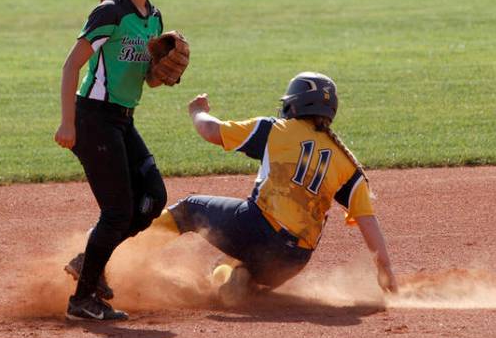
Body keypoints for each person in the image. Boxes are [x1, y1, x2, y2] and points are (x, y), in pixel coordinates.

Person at [147, 72, 398, 303]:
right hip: (292, 262)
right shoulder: (347, 162)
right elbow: (368, 220)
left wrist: (197, 111)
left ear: (294, 104)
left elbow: (211, 131)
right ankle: (239, 281)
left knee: (190, 209)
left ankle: (126, 250)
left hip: (258, 231)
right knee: (236, 264)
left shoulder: (275, 129)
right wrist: (385, 268)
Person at [54, 0, 172, 322]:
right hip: (93, 119)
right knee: (118, 212)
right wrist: (67, 123)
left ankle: (88, 261)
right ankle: (82, 299)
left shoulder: (153, 18)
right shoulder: (110, 12)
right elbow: (72, 65)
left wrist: (161, 74)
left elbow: (147, 79)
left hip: (123, 119)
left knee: (152, 199)